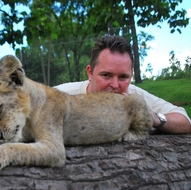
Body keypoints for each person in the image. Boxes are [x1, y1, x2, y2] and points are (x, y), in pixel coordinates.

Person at [55, 35, 191, 134]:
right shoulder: (62, 95)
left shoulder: (135, 97)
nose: (115, 85)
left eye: (123, 77)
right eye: (106, 75)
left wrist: (154, 118)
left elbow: (185, 121)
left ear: (131, 75)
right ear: (90, 73)